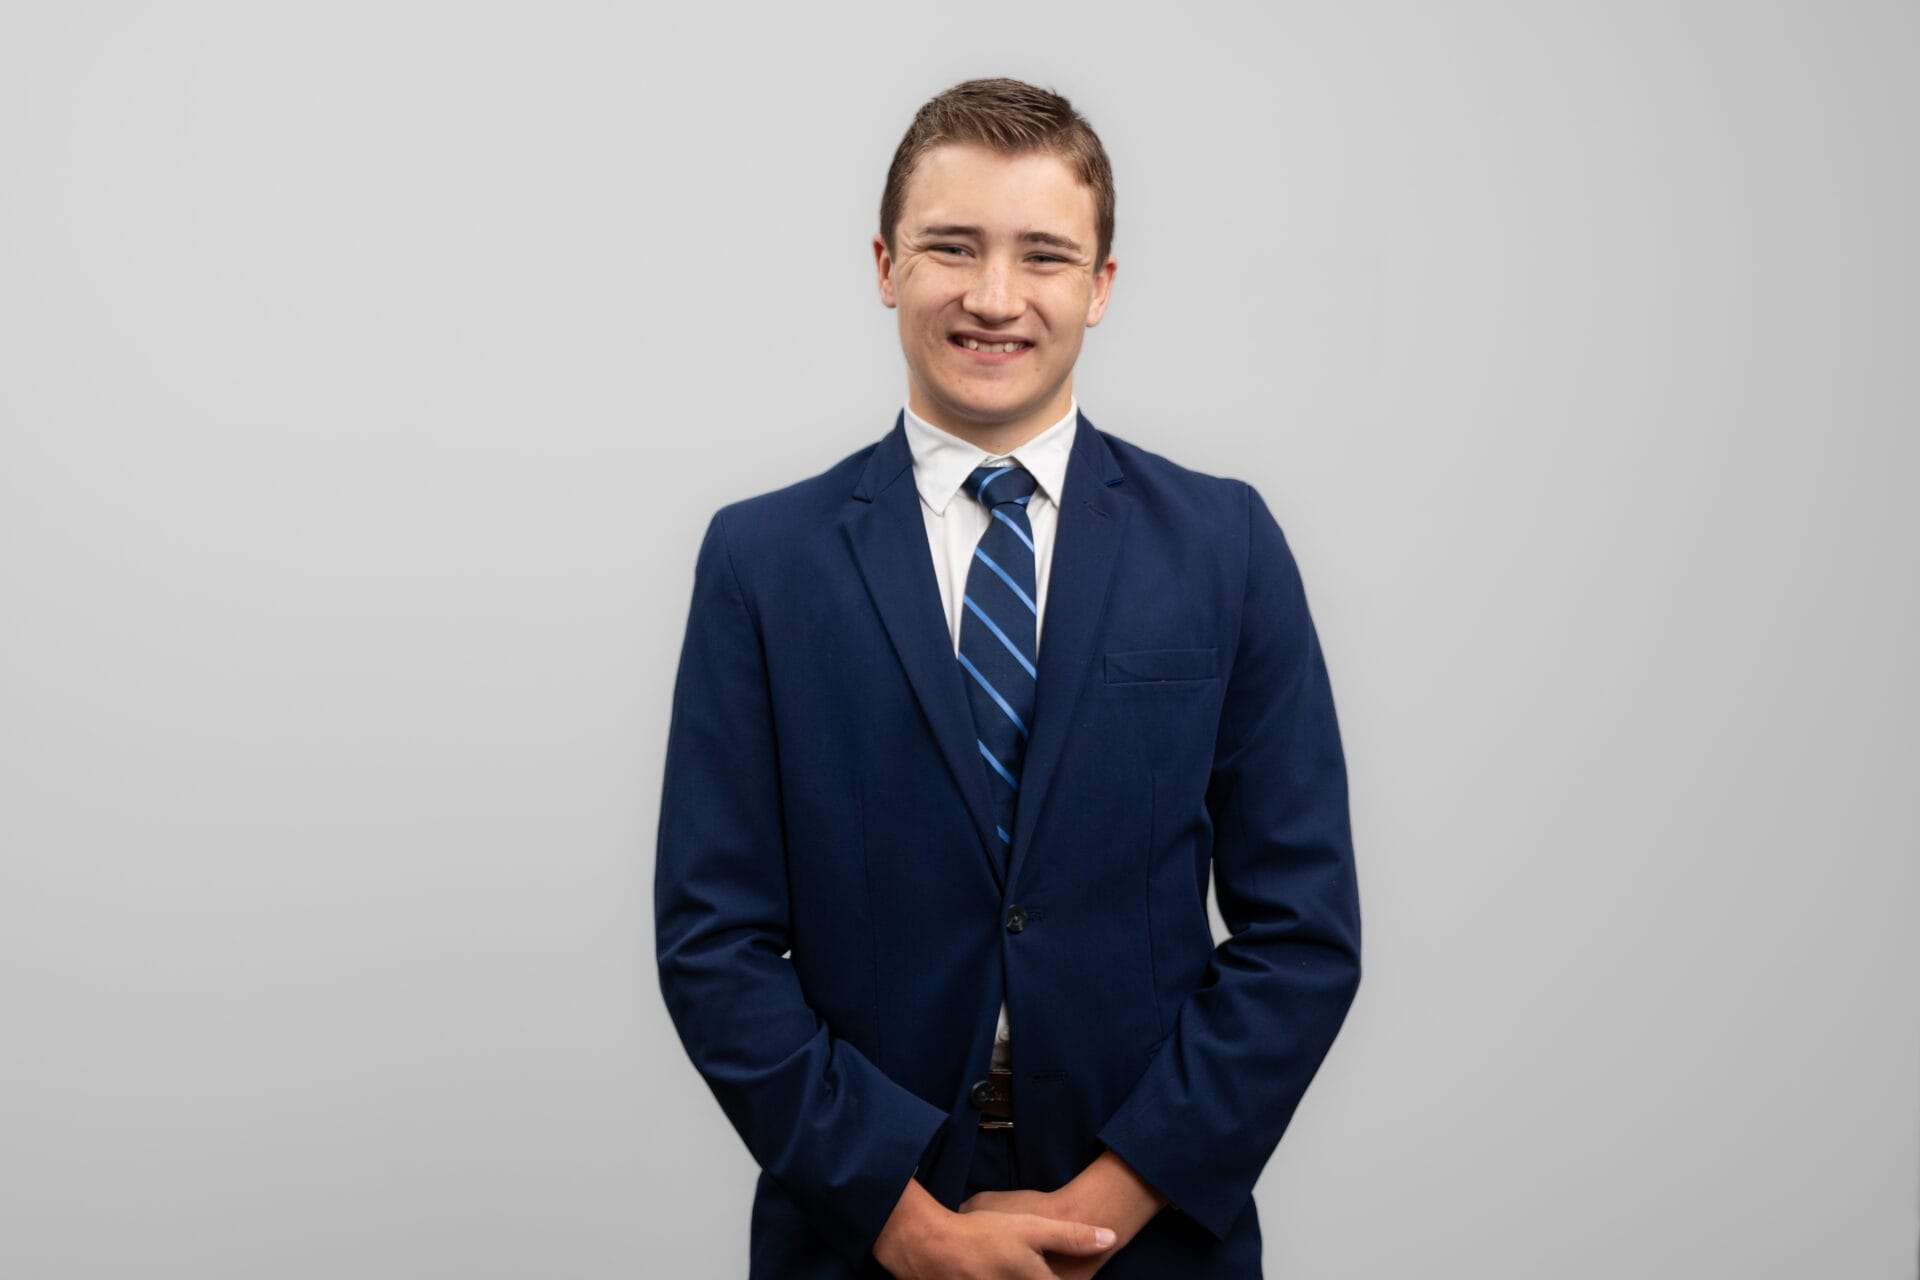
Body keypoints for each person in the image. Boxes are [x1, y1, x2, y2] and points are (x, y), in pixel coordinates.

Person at [654, 76, 1362, 1279]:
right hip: (859, 1226)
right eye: (951, 247)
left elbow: (1304, 931)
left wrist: (1112, 1200)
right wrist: (907, 1219)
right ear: (885, 264)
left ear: (1101, 285)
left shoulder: (1225, 546)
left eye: (1043, 254)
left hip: (1150, 1227)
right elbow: (711, 941)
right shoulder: (762, 562)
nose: (993, 296)